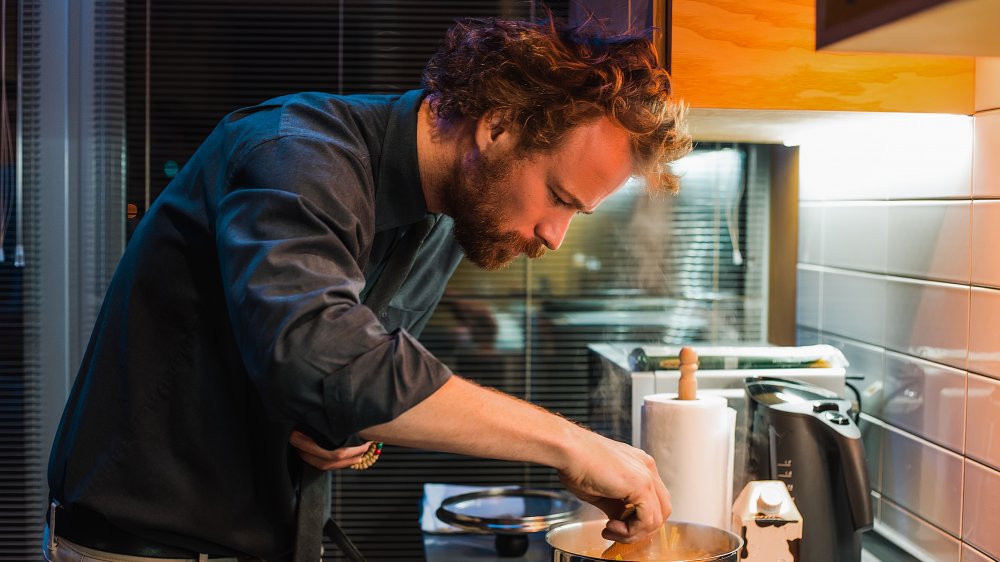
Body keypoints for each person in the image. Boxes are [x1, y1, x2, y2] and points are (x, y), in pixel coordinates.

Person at [44, 15, 692, 562]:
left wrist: (347, 426)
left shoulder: (443, 217)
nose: (554, 237)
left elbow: (354, 372)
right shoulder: (295, 154)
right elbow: (321, 356)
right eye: (558, 197)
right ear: (498, 126)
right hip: (147, 547)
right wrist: (574, 445)